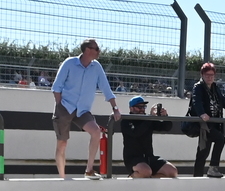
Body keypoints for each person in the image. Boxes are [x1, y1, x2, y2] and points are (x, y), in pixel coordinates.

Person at [51, 39, 120, 180]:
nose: (99, 51)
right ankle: (62, 178)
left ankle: (89, 170)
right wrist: (60, 106)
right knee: (62, 143)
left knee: (96, 132)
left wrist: (115, 108)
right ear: (88, 50)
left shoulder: (97, 67)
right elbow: (57, 87)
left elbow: (106, 88)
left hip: (83, 110)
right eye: (96, 48)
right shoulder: (69, 63)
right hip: (65, 107)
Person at [120, 96, 176, 178]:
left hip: (149, 157)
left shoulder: (147, 119)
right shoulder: (126, 120)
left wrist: (165, 116)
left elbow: (166, 128)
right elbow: (136, 132)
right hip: (133, 158)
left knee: (172, 171)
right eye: (139, 107)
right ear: (131, 108)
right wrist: (150, 118)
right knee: (146, 171)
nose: (142, 109)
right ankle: (132, 178)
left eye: (144, 107)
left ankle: (148, 180)